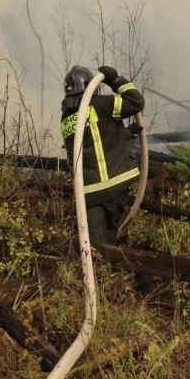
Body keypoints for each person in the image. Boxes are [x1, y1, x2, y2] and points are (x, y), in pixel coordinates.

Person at [60, 65, 145, 246]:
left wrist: (125, 135)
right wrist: (115, 80)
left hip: (89, 193)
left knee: (97, 247)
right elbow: (136, 101)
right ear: (92, 85)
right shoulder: (101, 105)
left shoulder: (66, 118)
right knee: (116, 239)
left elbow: (92, 143)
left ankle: (98, 264)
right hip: (116, 184)